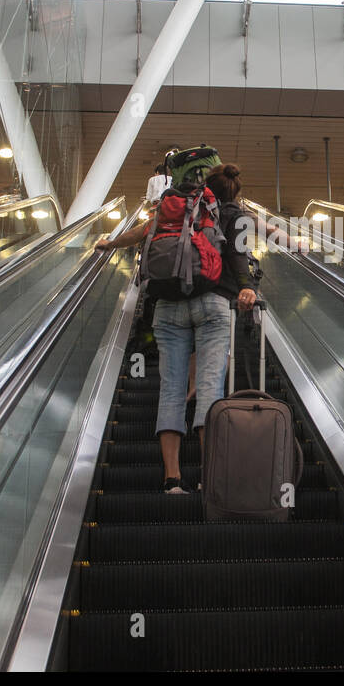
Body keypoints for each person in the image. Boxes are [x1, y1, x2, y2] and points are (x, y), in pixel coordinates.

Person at [96, 162, 258, 494]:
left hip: (167, 307)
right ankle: (207, 477)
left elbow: (139, 234)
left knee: (171, 391)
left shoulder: (170, 209)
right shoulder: (232, 213)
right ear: (235, 192)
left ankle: (172, 479)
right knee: (210, 391)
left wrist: (107, 244)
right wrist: (246, 286)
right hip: (213, 305)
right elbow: (240, 255)